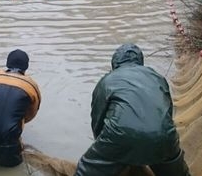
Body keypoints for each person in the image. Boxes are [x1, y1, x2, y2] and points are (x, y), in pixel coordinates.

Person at [74, 43, 190, 176]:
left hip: (120, 135)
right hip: (164, 137)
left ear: (115, 63)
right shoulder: (156, 77)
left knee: (84, 171)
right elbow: (167, 111)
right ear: (140, 61)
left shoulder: (107, 80)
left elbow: (97, 119)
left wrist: (103, 148)